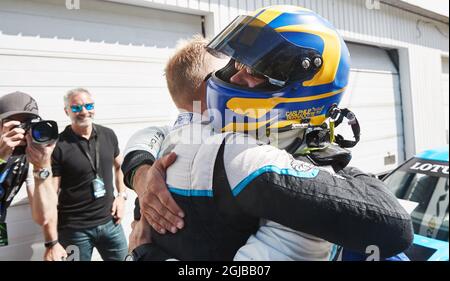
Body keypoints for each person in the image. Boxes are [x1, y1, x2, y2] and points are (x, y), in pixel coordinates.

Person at [122, 14, 412, 261]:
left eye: (257, 71)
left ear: (304, 88)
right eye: (238, 65)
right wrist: (142, 172)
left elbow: (391, 224)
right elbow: (156, 132)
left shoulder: (293, 176)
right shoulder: (215, 135)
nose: (235, 78)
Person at [41, 88, 128, 261]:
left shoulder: (108, 134)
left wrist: (122, 196)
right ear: (66, 111)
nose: (84, 111)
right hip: (74, 231)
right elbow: (51, 196)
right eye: (76, 108)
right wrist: (51, 242)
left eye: (89, 105)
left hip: (111, 224)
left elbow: (120, 166)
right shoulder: (58, 145)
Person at [0, 91, 66, 260]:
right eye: (15, 125)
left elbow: (43, 215)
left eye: (28, 125)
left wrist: (42, 165)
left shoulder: (26, 158)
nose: (22, 133)